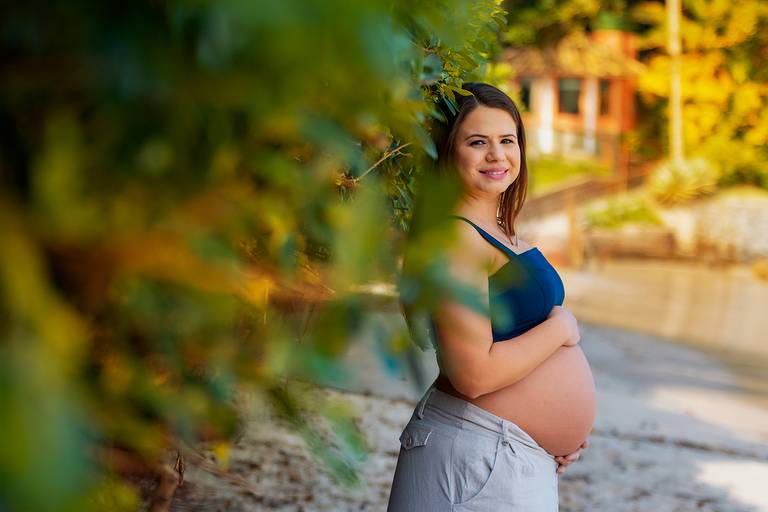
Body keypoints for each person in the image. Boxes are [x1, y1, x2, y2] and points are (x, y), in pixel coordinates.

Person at [387, 82, 596, 511]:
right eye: (477, 142)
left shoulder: (496, 232)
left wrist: (557, 432)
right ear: (446, 153)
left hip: (503, 455)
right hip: (476, 458)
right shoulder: (455, 239)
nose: (497, 155)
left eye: (507, 140)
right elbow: (474, 374)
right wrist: (560, 329)